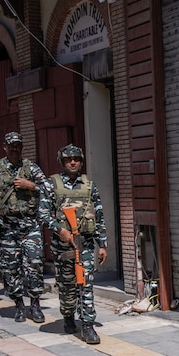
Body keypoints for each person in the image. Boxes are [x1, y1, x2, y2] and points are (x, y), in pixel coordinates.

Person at [0, 132, 51, 323]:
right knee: (10, 269)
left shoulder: (31, 168)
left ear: (22, 147)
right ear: (5, 147)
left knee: (35, 264)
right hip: (7, 229)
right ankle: (18, 304)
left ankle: (35, 304)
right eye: (11, 146)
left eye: (18, 145)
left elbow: (50, 188)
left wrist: (30, 185)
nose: (14, 148)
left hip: (30, 226)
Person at [39, 144, 108, 344]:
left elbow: (99, 216)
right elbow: (42, 214)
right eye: (68, 159)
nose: (72, 162)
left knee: (85, 283)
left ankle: (88, 325)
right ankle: (68, 316)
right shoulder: (51, 184)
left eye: (76, 159)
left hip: (85, 243)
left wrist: (102, 244)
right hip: (62, 246)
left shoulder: (89, 186)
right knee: (67, 285)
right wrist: (59, 230)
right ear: (62, 161)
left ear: (81, 161)